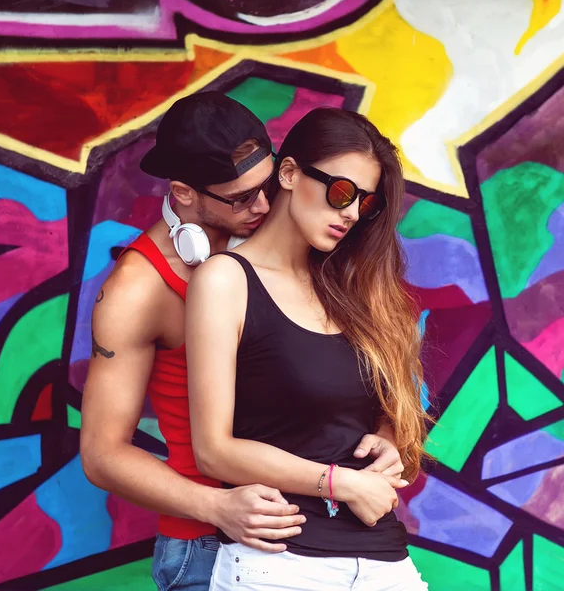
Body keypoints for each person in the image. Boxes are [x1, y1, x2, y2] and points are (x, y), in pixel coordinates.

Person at [80, 94, 403, 591]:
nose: (262, 206)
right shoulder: (139, 289)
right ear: (185, 194)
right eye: (239, 198)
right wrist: (214, 505)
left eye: (267, 186)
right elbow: (102, 453)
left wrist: (384, 431)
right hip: (210, 539)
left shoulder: (304, 258)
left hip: (306, 536)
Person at [186, 107, 430, 590]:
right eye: (342, 192)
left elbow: (384, 402)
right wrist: (342, 482)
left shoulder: (357, 289)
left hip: (383, 559)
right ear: (291, 173)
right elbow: (213, 450)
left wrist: (387, 436)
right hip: (280, 563)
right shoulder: (225, 280)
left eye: (367, 204)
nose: (351, 213)